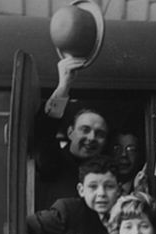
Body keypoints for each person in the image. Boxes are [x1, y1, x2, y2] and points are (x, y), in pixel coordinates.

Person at [35, 57, 110, 207]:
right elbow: (45, 129)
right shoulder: (53, 162)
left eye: (100, 134)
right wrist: (64, 86)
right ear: (70, 132)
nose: (92, 138)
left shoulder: (107, 172)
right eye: (85, 130)